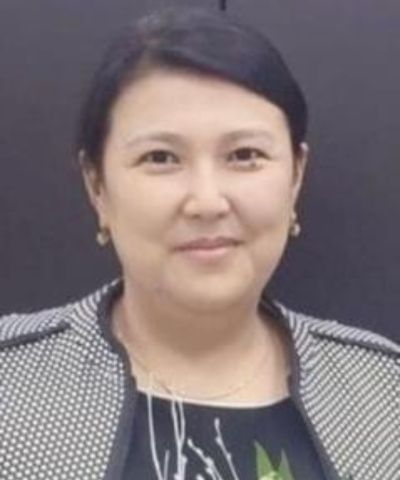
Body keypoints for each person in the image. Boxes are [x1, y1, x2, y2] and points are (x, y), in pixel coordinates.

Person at [0, 7, 398, 480]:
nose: (207, 202)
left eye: (245, 155)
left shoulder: (383, 393)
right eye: (161, 157)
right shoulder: (12, 385)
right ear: (97, 186)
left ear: (295, 176)